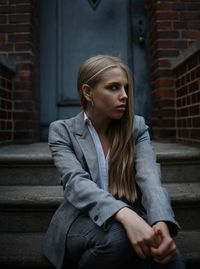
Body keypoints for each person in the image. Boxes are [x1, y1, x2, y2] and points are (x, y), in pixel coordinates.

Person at [43, 55, 185, 269]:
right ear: (88, 92)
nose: (124, 96)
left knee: (169, 260)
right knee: (119, 240)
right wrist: (125, 214)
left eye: (126, 88)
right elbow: (76, 183)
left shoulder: (136, 127)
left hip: (135, 211)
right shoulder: (62, 131)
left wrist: (161, 222)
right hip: (82, 216)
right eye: (113, 88)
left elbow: (150, 179)